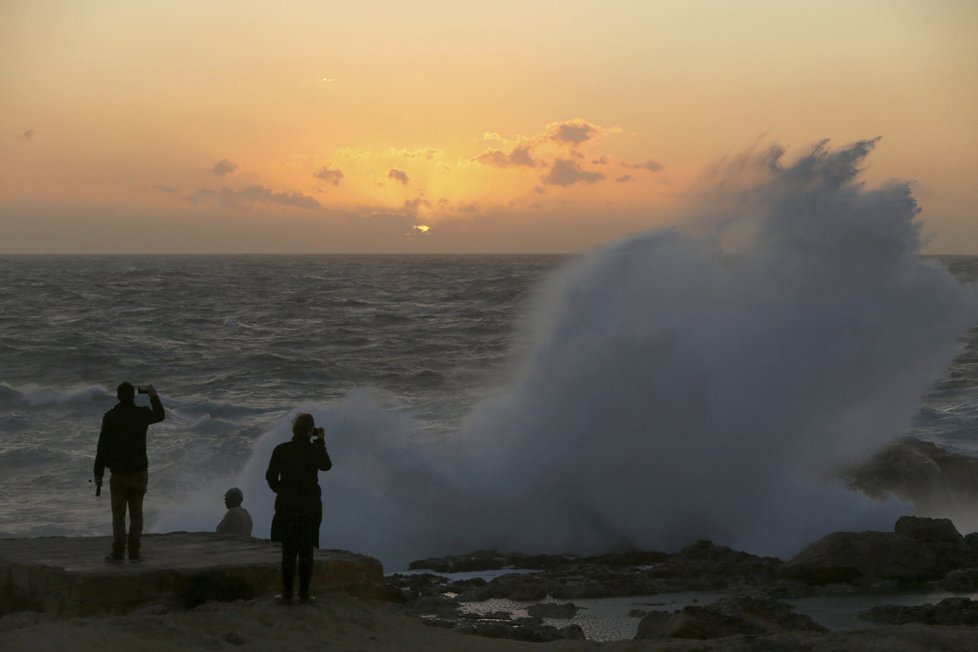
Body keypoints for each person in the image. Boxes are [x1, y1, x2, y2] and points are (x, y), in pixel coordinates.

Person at [93, 381, 165, 562]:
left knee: (118, 517)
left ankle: (118, 553)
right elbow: (160, 415)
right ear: (133, 396)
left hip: (118, 474)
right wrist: (153, 395)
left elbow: (102, 447)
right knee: (137, 515)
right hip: (139, 472)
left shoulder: (111, 417)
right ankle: (134, 552)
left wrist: (98, 472)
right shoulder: (142, 413)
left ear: (118, 396)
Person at [265, 413, 332, 605]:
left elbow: (270, 476)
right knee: (306, 552)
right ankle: (303, 595)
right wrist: (321, 441)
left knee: (288, 552)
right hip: (310, 506)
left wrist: (281, 491)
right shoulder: (314, 449)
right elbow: (326, 466)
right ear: (311, 430)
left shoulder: (281, 449)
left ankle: (287, 595)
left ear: (294, 429)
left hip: (287, 507)